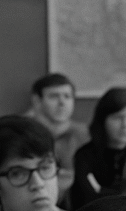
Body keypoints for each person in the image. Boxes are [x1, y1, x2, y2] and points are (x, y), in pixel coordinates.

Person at [70, 87, 126, 210]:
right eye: (118, 117)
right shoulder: (85, 156)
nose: (125, 125)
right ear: (103, 120)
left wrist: (103, 191)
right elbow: (90, 197)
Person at [28, 73, 90, 201]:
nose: (62, 102)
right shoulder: (22, 133)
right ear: (37, 101)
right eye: (54, 96)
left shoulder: (86, 135)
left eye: (67, 96)